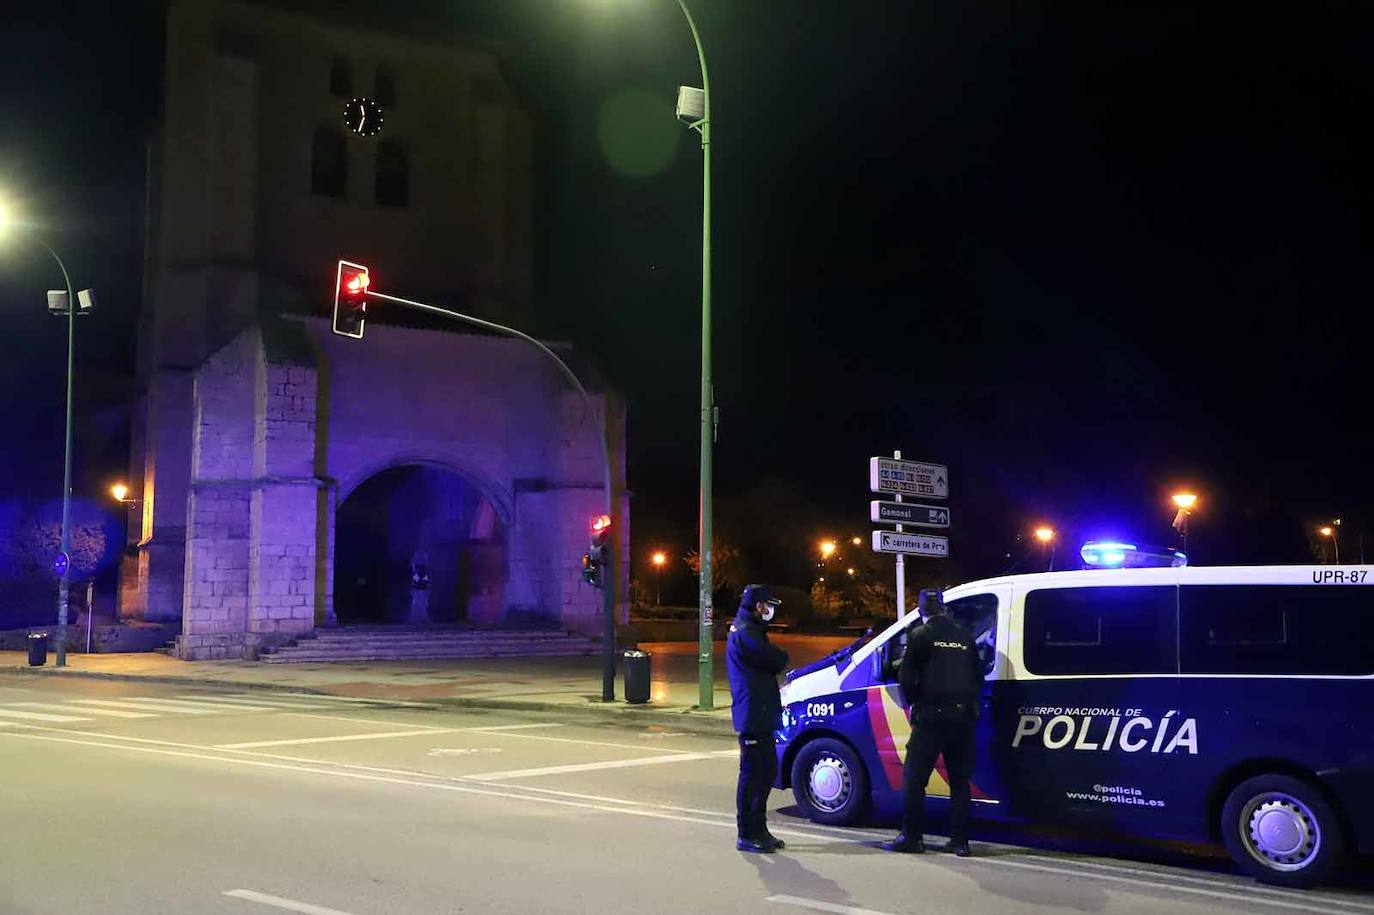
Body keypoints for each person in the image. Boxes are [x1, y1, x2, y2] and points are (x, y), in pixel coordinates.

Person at [881, 588, 984, 857]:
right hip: (963, 718)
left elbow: (906, 676)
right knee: (960, 782)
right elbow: (977, 676)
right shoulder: (964, 636)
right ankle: (960, 842)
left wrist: (914, 702)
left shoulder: (920, 635)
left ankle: (912, 837)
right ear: (944, 609)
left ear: (921, 611)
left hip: (931, 717)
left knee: (915, 779)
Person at [726, 583, 790, 853]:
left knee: (766, 772)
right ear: (758, 605)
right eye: (768, 606)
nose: (771, 610)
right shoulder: (747, 632)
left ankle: (760, 829)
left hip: (759, 711)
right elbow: (774, 659)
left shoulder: (750, 629)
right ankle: (747, 832)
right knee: (753, 775)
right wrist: (781, 656)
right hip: (752, 712)